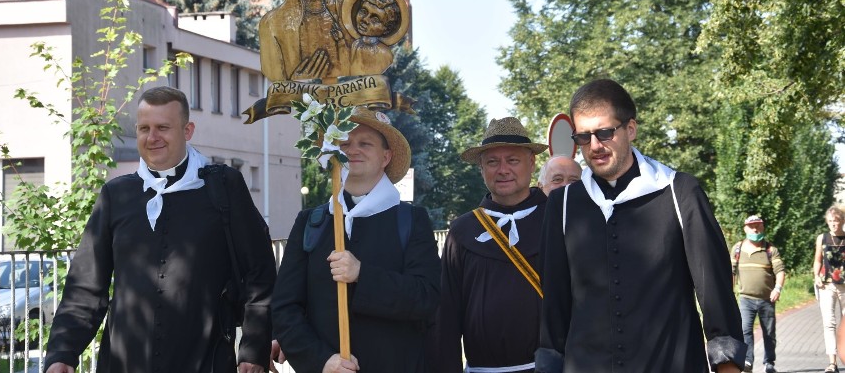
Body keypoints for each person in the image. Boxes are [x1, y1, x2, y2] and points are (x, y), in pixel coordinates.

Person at [44, 86, 277, 373]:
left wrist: (253, 350)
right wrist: (62, 354)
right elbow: (85, 285)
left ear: (187, 130)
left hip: (204, 360)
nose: (152, 138)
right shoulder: (116, 195)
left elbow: (259, 272)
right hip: (124, 363)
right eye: (144, 128)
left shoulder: (224, 187)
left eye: (163, 128)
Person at [537, 78, 746, 372]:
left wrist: (727, 363)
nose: (595, 146)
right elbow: (554, 305)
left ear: (630, 129)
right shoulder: (563, 204)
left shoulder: (680, 192)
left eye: (605, 133)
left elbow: (714, 288)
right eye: (583, 137)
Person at [270, 107, 440, 373]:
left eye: (365, 143)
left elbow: (426, 298)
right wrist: (322, 360)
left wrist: (363, 274)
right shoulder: (311, 221)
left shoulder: (410, 220)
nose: (353, 149)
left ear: (386, 156)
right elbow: (285, 308)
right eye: (344, 143)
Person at [433, 116, 549, 373]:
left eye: (513, 160)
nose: (503, 169)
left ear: (531, 163)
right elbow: (446, 316)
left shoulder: (557, 221)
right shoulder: (463, 230)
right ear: (481, 169)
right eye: (492, 162)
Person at [732, 214, 785, 373]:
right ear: (745, 228)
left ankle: (769, 363)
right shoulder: (738, 249)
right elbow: (732, 272)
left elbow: (780, 271)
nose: (755, 229)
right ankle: (748, 361)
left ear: (763, 227)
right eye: (752, 226)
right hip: (745, 299)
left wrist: (777, 288)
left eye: (758, 226)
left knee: (769, 333)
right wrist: (729, 292)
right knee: (745, 330)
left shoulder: (770, 249)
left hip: (767, 299)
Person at [814, 205, 845, 373]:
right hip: (826, 285)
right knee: (829, 323)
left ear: (842, 221)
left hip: (844, 286)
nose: (834, 224)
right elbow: (818, 260)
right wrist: (816, 276)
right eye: (831, 221)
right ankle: (832, 362)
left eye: (837, 221)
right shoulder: (822, 238)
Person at [348, 0, 401, 76]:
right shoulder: (354, 46)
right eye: (363, 12)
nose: (365, 20)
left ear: (386, 29)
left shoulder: (385, 54)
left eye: (375, 19)